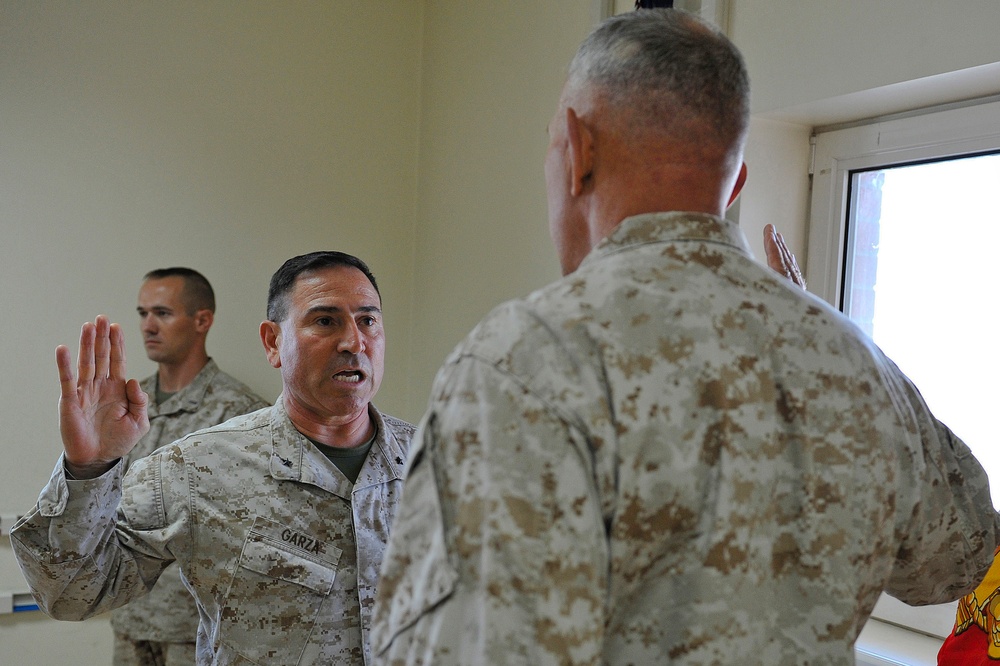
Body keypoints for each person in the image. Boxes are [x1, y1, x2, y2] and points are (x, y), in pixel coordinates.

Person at [371, 9, 999, 665]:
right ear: (739, 182)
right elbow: (957, 559)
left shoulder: (523, 361)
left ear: (577, 148)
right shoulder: (857, 363)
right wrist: (831, 338)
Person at [11, 252, 414, 665]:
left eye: (367, 320)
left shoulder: (441, 465)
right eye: (325, 321)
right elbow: (71, 594)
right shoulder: (196, 468)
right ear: (274, 342)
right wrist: (89, 471)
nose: (353, 341)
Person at [111, 267, 268, 666]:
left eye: (162, 313)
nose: (148, 325)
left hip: (198, 632)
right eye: (143, 313)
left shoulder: (240, 413)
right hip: (130, 619)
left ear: (202, 320)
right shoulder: (129, 402)